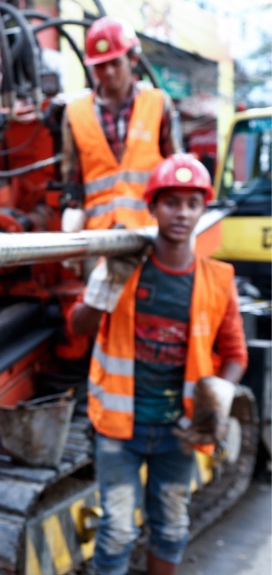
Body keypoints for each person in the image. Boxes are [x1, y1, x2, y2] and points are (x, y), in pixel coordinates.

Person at [68, 154, 248, 575]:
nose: (182, 213)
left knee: (171, 525)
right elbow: (79, 326)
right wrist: (106, 283)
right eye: (172, 202)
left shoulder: (218, 280)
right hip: (119, 430)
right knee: (116, 531)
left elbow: (236, 354)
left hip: (178, 432)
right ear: (153, 206)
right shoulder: (125, 268)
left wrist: (218, 400)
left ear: (203, 209)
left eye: (191, 203)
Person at [62, 17, 181, 231]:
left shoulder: (158, 104)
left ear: (132, 59)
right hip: (98, 234)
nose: (108, 72)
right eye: (100, 65)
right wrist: (72, 217)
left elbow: (174, 166)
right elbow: (73, 177)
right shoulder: (75, 113)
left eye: (115, 63)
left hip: (148, 230)